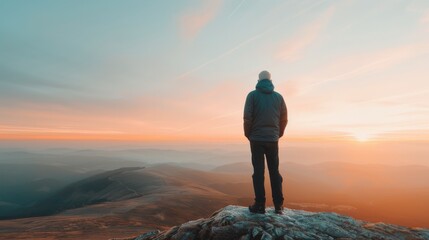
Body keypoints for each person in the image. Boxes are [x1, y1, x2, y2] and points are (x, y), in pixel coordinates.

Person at [243, 70, 288, 214]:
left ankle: (260, 205)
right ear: (270, 80)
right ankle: (278, 205)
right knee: (274, 171)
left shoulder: (252, 95)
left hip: (256, 139)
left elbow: (247, 118)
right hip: (273, 139)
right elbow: (284, 119)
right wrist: (277, 134)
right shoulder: (278, 97)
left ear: (258, 80)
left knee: (258, 172)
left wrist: (248, 134)